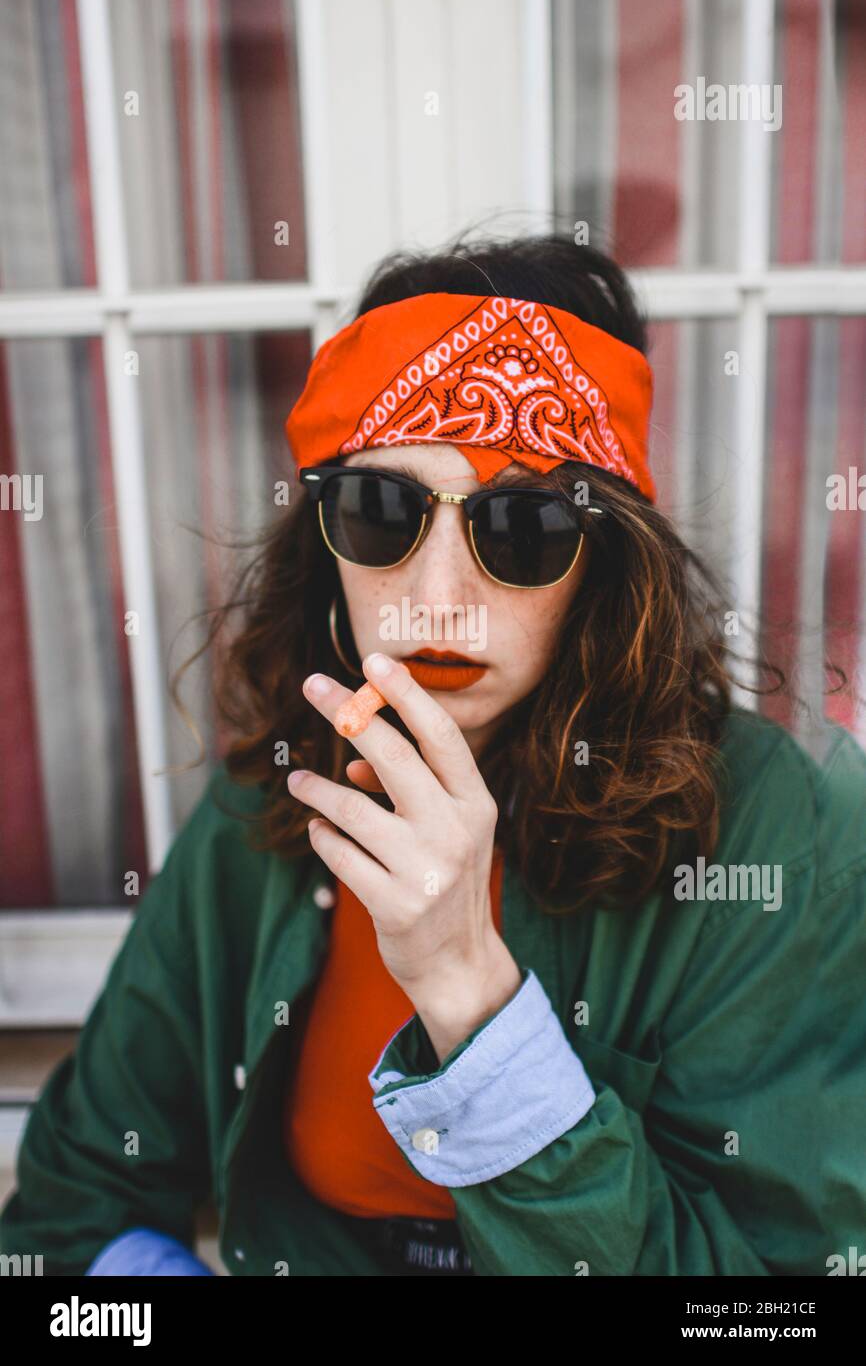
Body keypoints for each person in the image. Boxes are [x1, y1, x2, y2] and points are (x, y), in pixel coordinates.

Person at [2, 234, 864, 1277]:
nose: (437, 599)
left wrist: (469, 990)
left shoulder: (768, 824)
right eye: (383, 512)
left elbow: (769, 1288)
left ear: (603, 567)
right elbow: (75, 1197)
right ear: (323, 546)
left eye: (522, 525)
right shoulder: (268, 808)